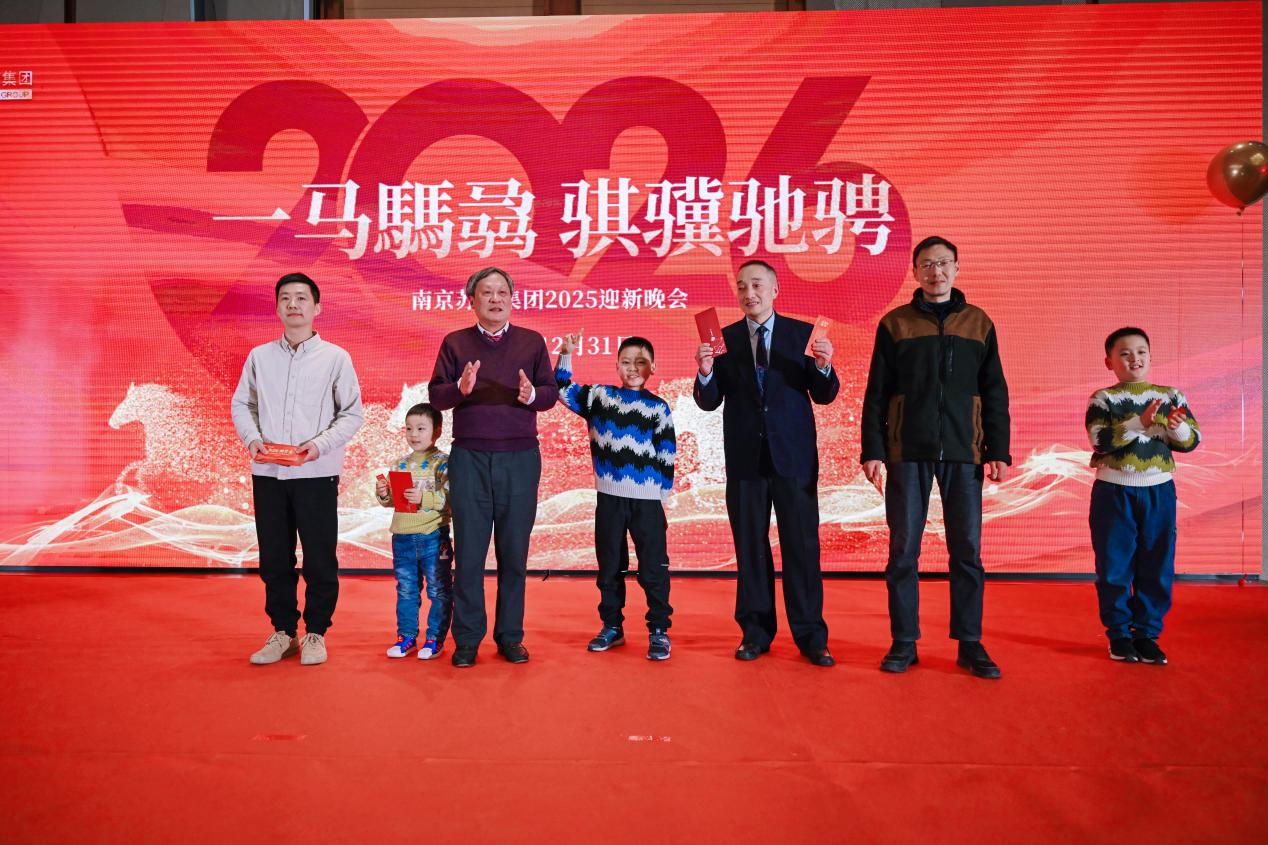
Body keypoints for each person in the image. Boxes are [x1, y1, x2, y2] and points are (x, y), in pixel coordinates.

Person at [860, 235, 1010, 680]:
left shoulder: (979, 323)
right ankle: (904, 641)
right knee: (903, 549)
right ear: (915, 272)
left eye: (944, 263)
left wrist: (998, 449)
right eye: (927, 264)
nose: (936, 271)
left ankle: (970, 642)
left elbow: (995, 391)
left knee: (967, 550)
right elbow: (876, 393)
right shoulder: (895, 324)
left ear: (957, 269)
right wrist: (873, 450)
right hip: (906, 450)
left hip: (965, 451)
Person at [693, 259, 839, 667]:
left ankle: (811, 636)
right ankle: (755, 633)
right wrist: (705, 373)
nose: (748, 293)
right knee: (750, 549)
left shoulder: (802, 335)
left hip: (794, 459)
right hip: (745, 461)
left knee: (802, 547)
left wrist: (824, 367)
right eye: (741, 286)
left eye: (757, 285)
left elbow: (824, 394)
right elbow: (709, 401)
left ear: (775, 290)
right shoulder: (722, 340)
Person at [428, 267, 558, 668]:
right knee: (469, 554)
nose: (496, 299)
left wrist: (531, 394)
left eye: (502, 292)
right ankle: (467, 639)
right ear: (472, 300)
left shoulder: (532, 342)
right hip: (470, 458)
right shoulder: (455, 342)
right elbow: (436, 396)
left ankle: (510, 637)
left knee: (514, 553)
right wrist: (460, 389)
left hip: (520, 458)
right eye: (487, 292)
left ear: (512, 298)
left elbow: (550, 394)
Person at [232, 272, 364, 666]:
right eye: (286, 298)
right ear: (276, 307)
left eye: (302, 298)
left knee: (319, 558)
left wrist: (318, 446)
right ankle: (284, 632)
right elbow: (243, 404)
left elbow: (352, 414)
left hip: (316, 473)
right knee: (274, 557)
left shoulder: (336, 358)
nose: (293, 304)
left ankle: (316, 632)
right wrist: (252, 439)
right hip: (268, 474)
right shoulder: (260, 357)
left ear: (317, 307)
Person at [555, 334, 676, 660]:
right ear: (617, 365)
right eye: (626, 362)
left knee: (653, 567)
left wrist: (662, 498)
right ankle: (612, 626)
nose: (633, 368)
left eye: (641, 362)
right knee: (609, 565)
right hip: (609, 498)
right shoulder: (599, 397)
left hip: (647, 502)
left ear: (652, 367)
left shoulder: (658, 407)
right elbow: (561, 389)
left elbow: (667, 453)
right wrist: (566, 354)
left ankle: (659, 630)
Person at [1086, 327, 1199, 665]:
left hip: (1159, 492)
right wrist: (1139, 422)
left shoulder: (1171, 396)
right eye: (1124, 353)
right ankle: (1119, 635)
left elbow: (1191, 441)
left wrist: (1177, 427)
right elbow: (1099, 441)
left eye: (1140, 352)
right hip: (1113, 492)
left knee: (1157, 563)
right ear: (1109, 362)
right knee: (1113, 566)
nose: (1134, 358)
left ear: (1150, 356)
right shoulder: (1103, 398)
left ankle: (1147, 635)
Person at [375, 402, 454, 661]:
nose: (414, 434)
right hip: (402, 538)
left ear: (437, 431)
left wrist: (424, 498)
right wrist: (384, 495)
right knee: (406, 590)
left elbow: (453, 500)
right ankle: (406, 636)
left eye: (421, 428)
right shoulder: (399, 464)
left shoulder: (444, 463)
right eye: (409, 428)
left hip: (433, 536)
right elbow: (395, 502)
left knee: (438, 589)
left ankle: (435, 638)